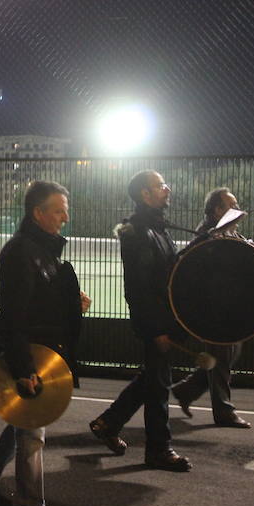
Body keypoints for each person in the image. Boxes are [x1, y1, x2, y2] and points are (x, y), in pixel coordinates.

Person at [0, 181, 87, 506]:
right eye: (59, 210)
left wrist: (69, 302)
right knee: (33, 434)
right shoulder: (21, 252)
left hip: (43, 352)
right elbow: (13, 316)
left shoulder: (41, 249)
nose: (66, 217)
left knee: (24, 423)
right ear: (38, 213)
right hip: (31, 354)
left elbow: (39, 301)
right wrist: (23, 369)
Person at [90, 170, 192, 471]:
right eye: (161, 186)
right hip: (155, 321)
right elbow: (139, 287)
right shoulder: (139, 231)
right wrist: (157, 328)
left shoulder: (156, 227)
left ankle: (108, 423)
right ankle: (159, 450)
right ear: (145, 195)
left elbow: (167, 269)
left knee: (153, 377)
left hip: (163, 318)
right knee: (158, 385)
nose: (167, 189)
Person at [171, 188, 250, 428]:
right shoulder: (207, 235)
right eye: (230, 204)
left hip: (227, 306)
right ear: (217, 210)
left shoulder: (230, 234)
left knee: (227, 354)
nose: (236, 208)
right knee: (223, 354)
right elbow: (187, 260)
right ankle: (223, 411)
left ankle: (187, 390)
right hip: (212, 308)